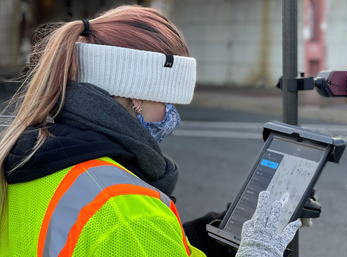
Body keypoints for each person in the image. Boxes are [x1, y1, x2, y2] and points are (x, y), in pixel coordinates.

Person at [0, 5, 301, 257]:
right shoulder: (126, 211)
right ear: (137, 96)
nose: (171, 113)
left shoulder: (31, 159)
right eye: (166, 100)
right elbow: (130, 233)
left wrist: (204, 236)